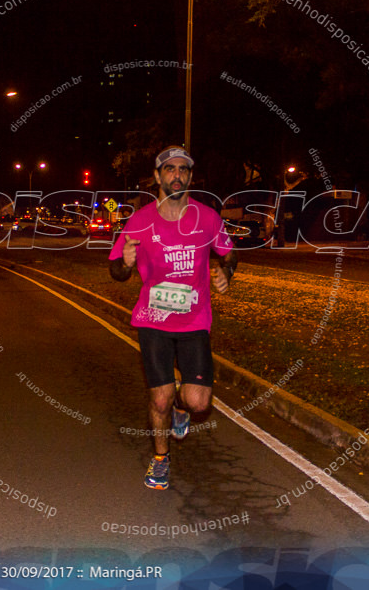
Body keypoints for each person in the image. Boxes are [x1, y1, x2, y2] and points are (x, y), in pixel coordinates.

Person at [109, 146, 238, 490]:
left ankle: (182, 409)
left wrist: (227, 272)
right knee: (160, 397)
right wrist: (125, 261)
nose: (176, 175)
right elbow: (117, 273)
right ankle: (161, 458)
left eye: (183, 169)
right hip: (152, 321)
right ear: (157, 177)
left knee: (198, 401)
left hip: (195, 321)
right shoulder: (140, 220)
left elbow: (229, 253)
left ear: (190, 177)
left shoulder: (207, 217)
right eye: (169, 169)